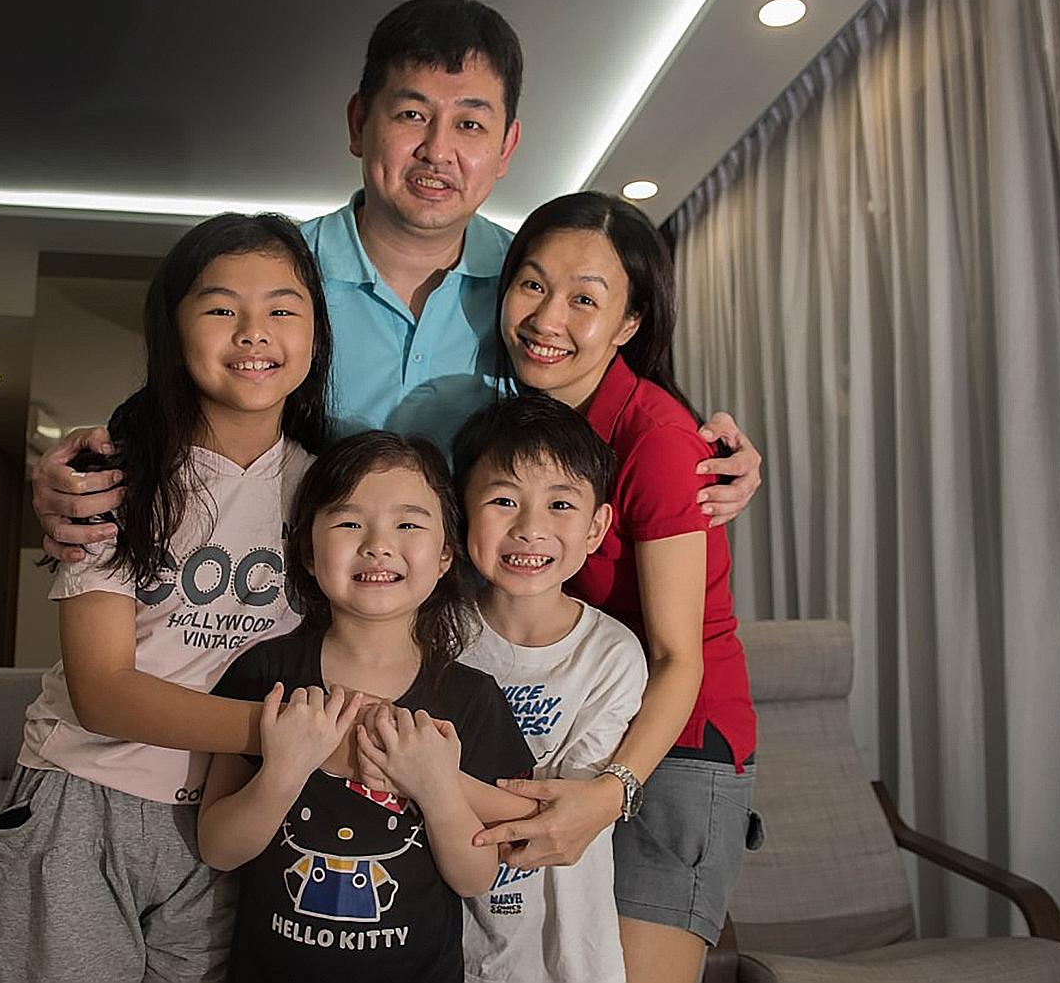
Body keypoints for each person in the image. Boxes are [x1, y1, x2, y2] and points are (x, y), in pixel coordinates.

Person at [29, 0, 763, 560]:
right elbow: (173, 413)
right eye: (412, 114)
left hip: (485, 633)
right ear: (359, 123)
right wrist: (78, 479)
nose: (437, 150)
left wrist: (716, 454)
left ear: (507, 147)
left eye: (470, 124)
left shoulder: (533, 288)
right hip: (281, 609)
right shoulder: (275, 278)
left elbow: (630, 410)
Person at [0, 213, 347, 983]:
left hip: (238, 810)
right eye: (221, 307)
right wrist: (291, 737)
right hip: (88, 797)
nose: (255, 331)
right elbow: (103, 692)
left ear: (315, 331)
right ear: (171, 327)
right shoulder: (117, 472)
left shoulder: (332, 490)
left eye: (284, 308)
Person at [472, 193, 762, 983]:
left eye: (585, 300)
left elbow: (678, 655)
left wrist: (611, 790)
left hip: (675, 746)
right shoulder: (528, 424)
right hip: (587, 719)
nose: (546, 317)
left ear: (630, 324)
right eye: (532, 285)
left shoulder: (658, 440)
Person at [198, 431, 535, 983]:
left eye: (408, 524)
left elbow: (477, 879)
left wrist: (436, 788)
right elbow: (218, 847)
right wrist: (283, 772)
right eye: (349, 522)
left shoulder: (472, 699)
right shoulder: (263, 673)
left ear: (447, 552)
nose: (378, 544)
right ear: (307, 550)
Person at [447, 395, 648, 983]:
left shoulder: (610, 655)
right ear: (460, 514)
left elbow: (568, 807)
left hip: (561, 946)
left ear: (596, 527)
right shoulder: (434, 636)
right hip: (440, 935)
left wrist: (433, 775)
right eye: (503, 500)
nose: (530, 528)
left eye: (560, 504)